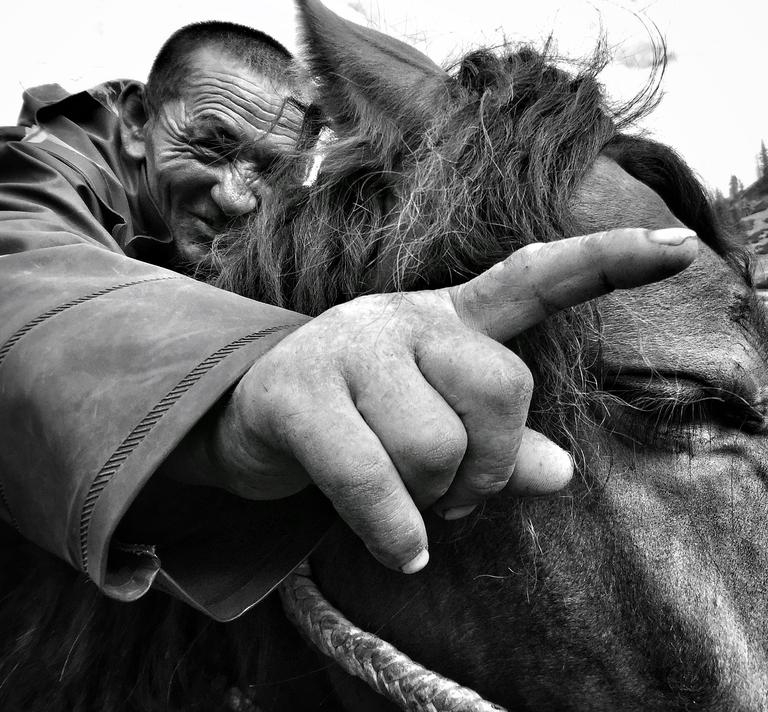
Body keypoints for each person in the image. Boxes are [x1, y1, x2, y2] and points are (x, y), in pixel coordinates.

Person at [0, 20, 698, 620]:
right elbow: (22, 276)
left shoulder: (236, 222)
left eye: (270, 169)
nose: (239, 197)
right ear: (135, 123)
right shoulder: (42, 171)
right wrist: (242, 385)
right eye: (212, 146)